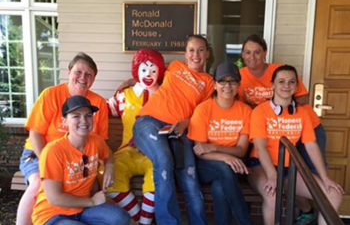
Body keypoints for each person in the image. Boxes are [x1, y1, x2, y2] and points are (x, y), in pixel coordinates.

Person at [239, 34, 328, 224]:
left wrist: (277, 106)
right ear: (242, 55)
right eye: (247, 52)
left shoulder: (280, 72)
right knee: (282, 178)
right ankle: (305, 211)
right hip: (271, 131)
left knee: (313, 176)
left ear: (265, 53)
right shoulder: (242, 76)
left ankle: (310, 212)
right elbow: (239, 105)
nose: (252, 56)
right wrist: (265, 112)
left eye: (257, 52)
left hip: (304, 127)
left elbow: (302, 98)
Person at [17, 52, 108, 225]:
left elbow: (100, 140)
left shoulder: (99, 103)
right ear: (69, 73)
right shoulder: (50, 95)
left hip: (77, 157)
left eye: (89, 74)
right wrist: (48, 162)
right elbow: (35, 133)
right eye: (78, 72)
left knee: (96, 185)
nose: (83, 77)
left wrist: (105, 166)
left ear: (94, 79)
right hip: (40, 153)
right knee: (38, 184)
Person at [132, 35, 213, 225]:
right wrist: (129, 82)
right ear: (185, 54)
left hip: (178, 130)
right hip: (149, 122)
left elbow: (205, 113)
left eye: (201, 49)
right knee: (164, 163)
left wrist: (186, 122)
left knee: (190, 177)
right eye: (191, 50)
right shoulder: (175, 66)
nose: (196, 54)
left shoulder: (209, 82)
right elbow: (147, 78)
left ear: (207, 54)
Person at [247, 65, 343, 225]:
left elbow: (311, 146)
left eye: (291, 82)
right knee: (272, 196)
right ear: (273, 85)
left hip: (289, 169)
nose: (286, 85)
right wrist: (272, 176)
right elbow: (260, 147)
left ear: (296, 86)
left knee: (334, 194)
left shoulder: (303, 113)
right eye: (281, 81)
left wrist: (325, 178)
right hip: (261, 166)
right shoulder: (260, 111)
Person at [31, 95, 129, 225]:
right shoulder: (53, 151)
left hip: (83, 209)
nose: (84, 120)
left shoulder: (96, 141)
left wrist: (110, 165)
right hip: (53, 214)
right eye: (76, 116)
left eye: (88, 115)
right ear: (64, 121)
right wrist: (92, 202)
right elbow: (55, 198)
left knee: (120, 218)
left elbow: (107, 153)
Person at [105, 49, 165, 225]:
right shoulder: (125, 96)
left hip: (153, 152)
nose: (148, 74)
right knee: (111, 177)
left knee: (158, 177)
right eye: (144, 69)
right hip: (127, 152)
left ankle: (143, 223)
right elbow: (102, 108)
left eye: (153, 70)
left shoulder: (165, 97)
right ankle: (141, 220)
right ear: (136, 70)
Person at [188, 62, 252, 225]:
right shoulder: (203, 110)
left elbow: (241, 151)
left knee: (219, 187)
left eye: (233, 81)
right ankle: (245, 222)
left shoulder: (245, 111)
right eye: (222, 81)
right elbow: (200, 150)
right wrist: (225, 157)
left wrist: (216, 147)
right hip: (206, 165)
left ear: (238, 84)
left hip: (234, 165)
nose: (227, 86)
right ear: (215, 85)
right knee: (224, 169)